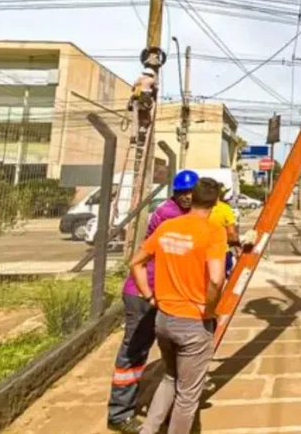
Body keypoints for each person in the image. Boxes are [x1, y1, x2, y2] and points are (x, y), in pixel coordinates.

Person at [129, 178, 227, 434]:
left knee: (170, 377)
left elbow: (136, 263)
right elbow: (216, 279)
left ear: (191, 197)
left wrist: (150, 296)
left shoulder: (167, 227)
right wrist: (210, 309)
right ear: (216, 202)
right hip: (193, 321)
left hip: (164, 318)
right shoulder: (214, 231)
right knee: (188, 395)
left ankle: (148, 430)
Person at [105, 170, 198, 433]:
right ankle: (119, 413)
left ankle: (165, 406)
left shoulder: (178, 213)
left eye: (191, 193)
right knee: (134, 353)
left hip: (159, 293)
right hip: (143, 293)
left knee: (165, 350)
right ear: (175, 194)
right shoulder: (171, 215)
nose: (187, 198)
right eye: (182, 193)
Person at [128, 68, 158, 144]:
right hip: (145, 101)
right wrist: (154, 98)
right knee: (147, 120)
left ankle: (133, 136)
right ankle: (142, 131)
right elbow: (155, 91)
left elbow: (133, 89)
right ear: (151, 74)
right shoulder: (152, 80)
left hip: (135, 101)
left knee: (135, 119)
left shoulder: (138, 79)